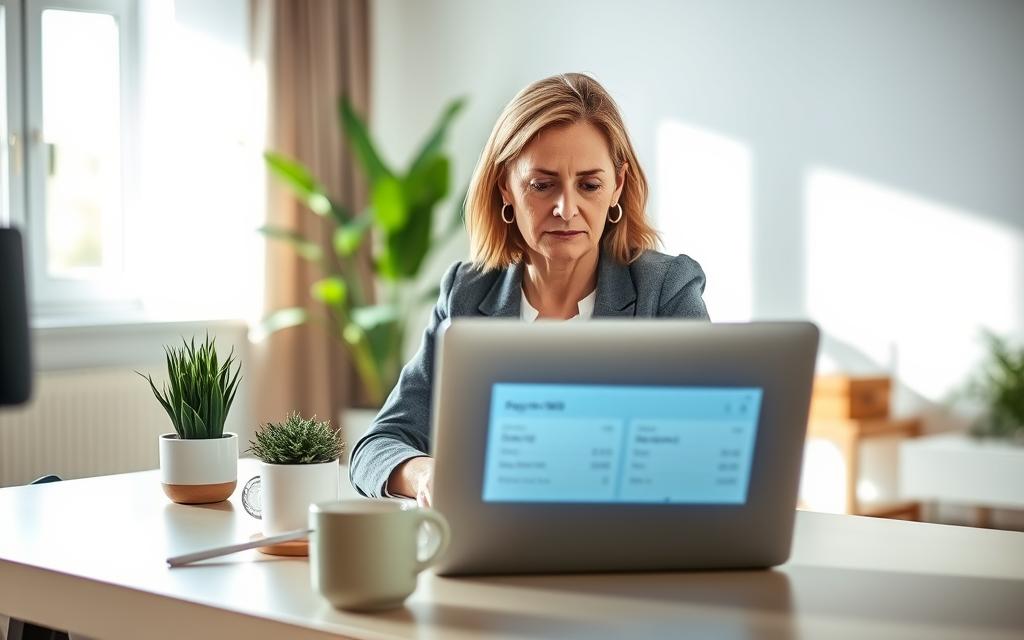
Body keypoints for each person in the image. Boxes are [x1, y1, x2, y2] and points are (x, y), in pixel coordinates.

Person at [349, 72, 709, 506]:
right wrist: (424, 474)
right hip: (493, 550)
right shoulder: (465, 293)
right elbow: (377, 445)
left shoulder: (665, 291)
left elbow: (702, 453)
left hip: (624, 547)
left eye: (589, 185)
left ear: (618, 186)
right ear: (506, 187)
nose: (566, 208)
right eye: (542, 185)